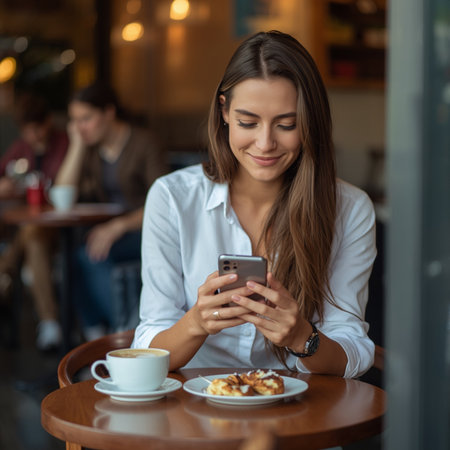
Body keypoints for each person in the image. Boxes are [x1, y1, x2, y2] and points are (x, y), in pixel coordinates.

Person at [133, 30, 377, 378]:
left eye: (287, 124)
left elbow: (351, 349)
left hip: (299, 413)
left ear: (310, 123)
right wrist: (196, 323)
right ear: (225, 111)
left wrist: (300, 336)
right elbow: (148, 346)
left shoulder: (350, 210)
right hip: (193, 415)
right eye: (248, 122)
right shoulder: (172, 198)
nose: (265, 143)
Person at [55, 83, 168, 341]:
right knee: (71, 260)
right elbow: (63, 196)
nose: (80, 127)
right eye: (74, 120)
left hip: (146, 229)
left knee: (91, 255)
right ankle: (97, 335)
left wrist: (119, 226)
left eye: (86, 119)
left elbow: (163, 203)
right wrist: (76, 146)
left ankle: (121, 335)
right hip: (111, 231)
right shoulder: (91, 148)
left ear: (108, 113)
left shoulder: (145, 143)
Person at [0, 92, 68, 350]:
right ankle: (50, 323)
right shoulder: (22, 148)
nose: (33, 136)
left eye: (37, 129)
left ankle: (4, 271)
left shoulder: (64, 143)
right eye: (27, 131)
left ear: (48, 122)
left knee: (32, 233)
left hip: (59, 228)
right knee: (32, 236)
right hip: (31, 230)